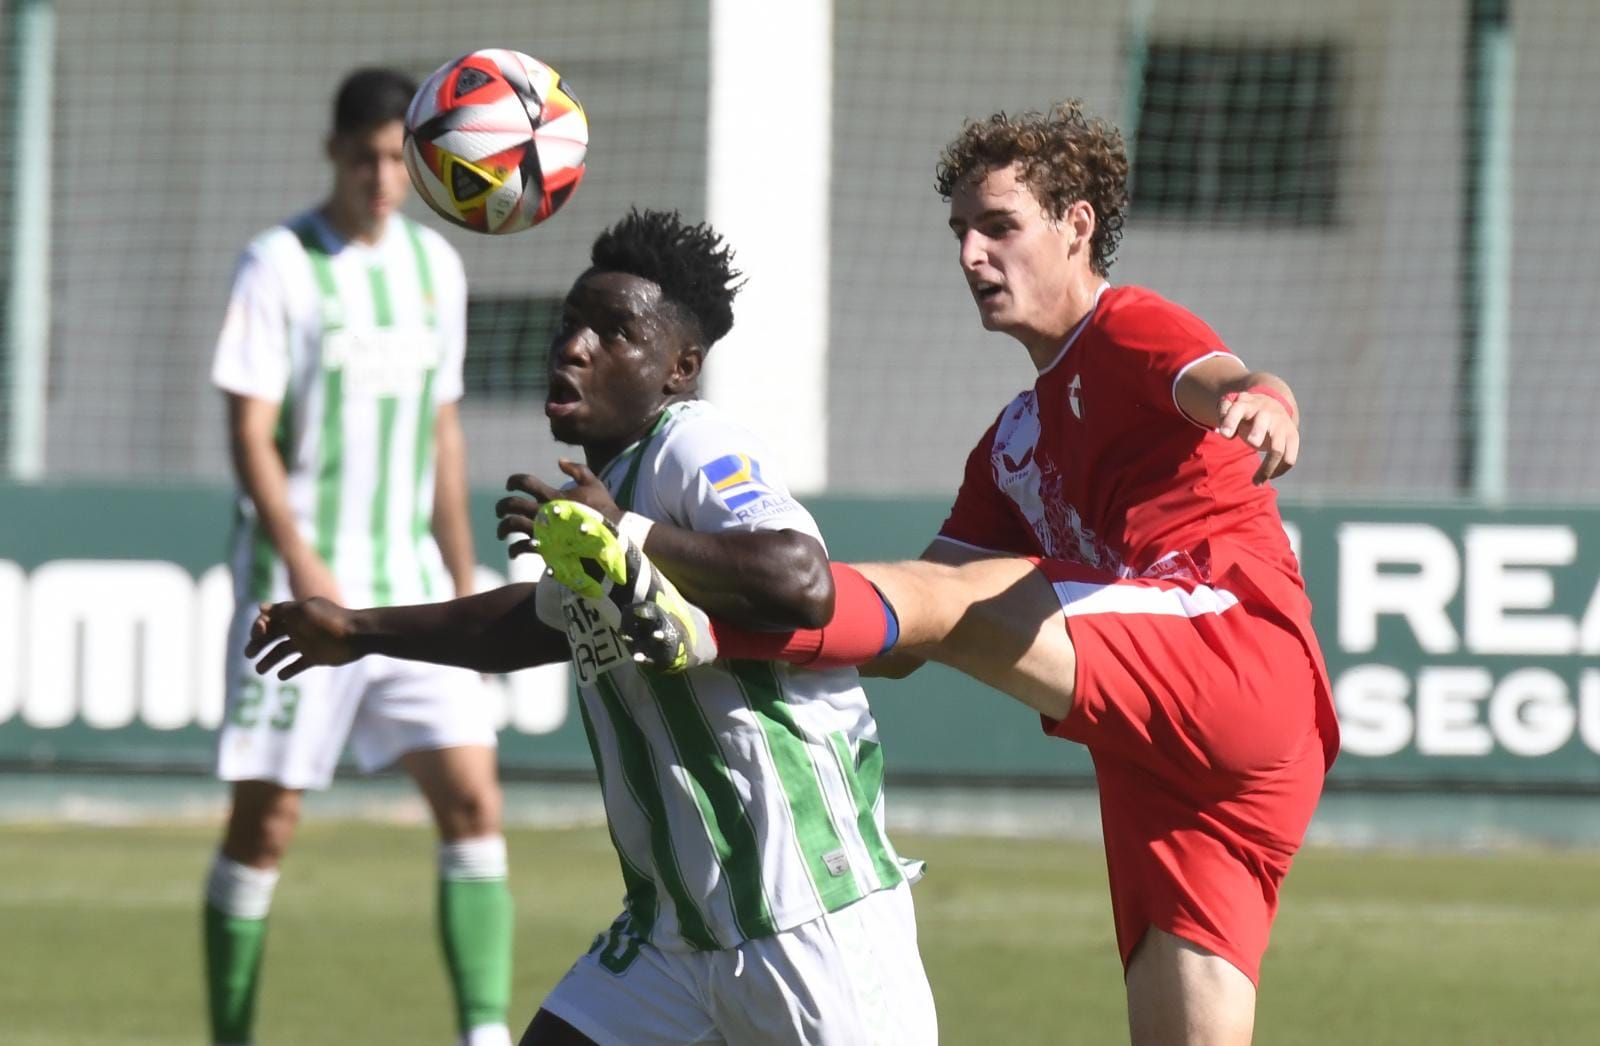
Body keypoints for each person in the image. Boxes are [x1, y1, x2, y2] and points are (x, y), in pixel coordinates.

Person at [532, 102, 1339, 1046]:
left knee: (962, 601)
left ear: (1077, 226)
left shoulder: (1123, 327)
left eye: (999, 226)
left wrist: (1265, 399)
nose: (971, 256)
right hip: (1188, 759)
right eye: (962, 231)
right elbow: (898, 633)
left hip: (1230, 646)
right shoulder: (1012, 444)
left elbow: (1224, 378)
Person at [245, 208, 938, 1045]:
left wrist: (628, 535)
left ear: (679, 368)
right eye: (572, 324)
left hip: (806, 918)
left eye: (614, 333)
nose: (574, 346)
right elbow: (526, 627)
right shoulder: (603, 495)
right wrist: (354, 632)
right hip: (672, 938)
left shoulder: (692, 445)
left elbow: (803, 580)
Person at [206, 67, 513, 1046]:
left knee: (472, 796)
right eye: (366, 156)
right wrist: (300, 560)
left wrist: (462, 578)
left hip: (410, 587)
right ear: (333, 153)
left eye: (398, 158)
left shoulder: (437, 270)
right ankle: (233, 1030)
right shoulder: (279, 264)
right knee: (267, 824)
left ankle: (484, 1031)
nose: (382, 176)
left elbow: (444, 433)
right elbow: (249, 430)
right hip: (300, 589)